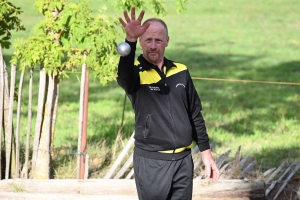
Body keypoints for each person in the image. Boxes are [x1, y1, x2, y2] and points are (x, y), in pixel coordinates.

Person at [117, 7, 220, 200]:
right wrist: (128, 41)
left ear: (167, 42)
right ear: (141, 42)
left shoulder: (181, 70)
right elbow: (123, 77)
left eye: (158, 40)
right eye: (148, 40)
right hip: (152, 162)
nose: (153, 45)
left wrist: (206, 154)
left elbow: (195, 113)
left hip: (183, 161)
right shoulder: (136, 74)